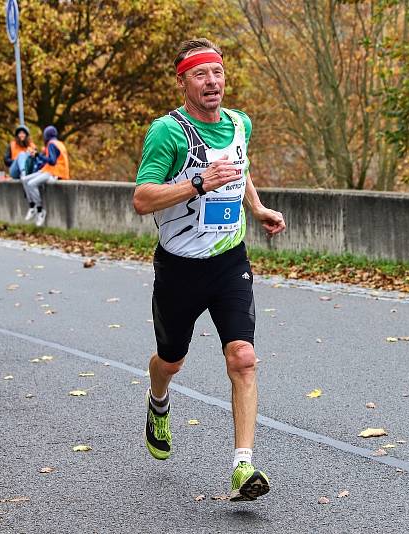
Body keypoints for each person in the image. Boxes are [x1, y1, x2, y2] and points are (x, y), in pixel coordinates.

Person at [132, 38, 286, 501]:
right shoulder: (168, 132)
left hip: (229, 261)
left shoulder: (240, 123)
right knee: (171, 360)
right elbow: (142, 199)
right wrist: (195, 182)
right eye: (200, 75)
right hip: (179, 268)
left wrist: (256, 209)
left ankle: (243, 466)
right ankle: (158, 401)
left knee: (242, 356)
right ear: (183, 82)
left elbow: (240, 171)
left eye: (217, 73)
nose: (212, 82)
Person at [21, 125, 70, 227]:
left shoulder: (51, 144)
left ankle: (40, 210)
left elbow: (52, 161)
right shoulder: (58, 143)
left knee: (30, 183)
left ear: (46, 136)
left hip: (55, 173)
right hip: (50, 170)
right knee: (24, 179)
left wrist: (38, 155)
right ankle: (32, 206)